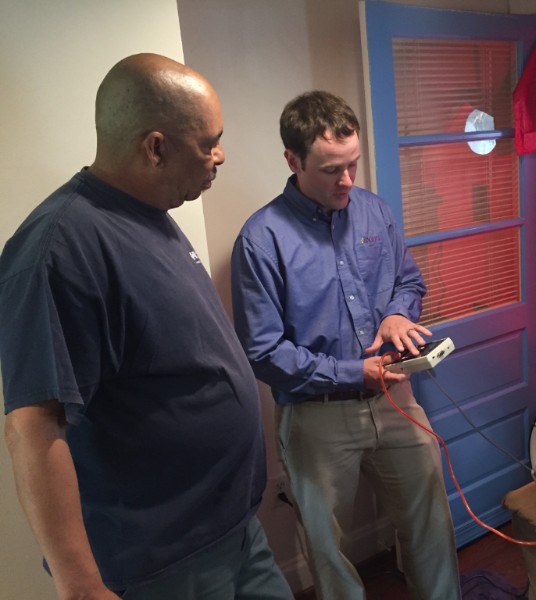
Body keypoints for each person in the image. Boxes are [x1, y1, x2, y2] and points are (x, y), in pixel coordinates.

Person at [0, 53, 293, 600]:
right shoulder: (57, 251)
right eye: (209, 142)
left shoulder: (150, 214)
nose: (220, 156)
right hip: (162, 563)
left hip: (231, 531)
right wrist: (81, 586)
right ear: (155, 147)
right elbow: (33, 428)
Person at [230, 90, 461, 600]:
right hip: (318, 417)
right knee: (328, 551)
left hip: (396, 398)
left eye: (353, 164)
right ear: (292, 160)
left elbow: (409, 281)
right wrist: (355, 373)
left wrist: (400, 311)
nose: (347, 181)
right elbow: (264, 352)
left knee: (430, 524)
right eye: (332, 169)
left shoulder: (374, 211)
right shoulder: (261, 239)